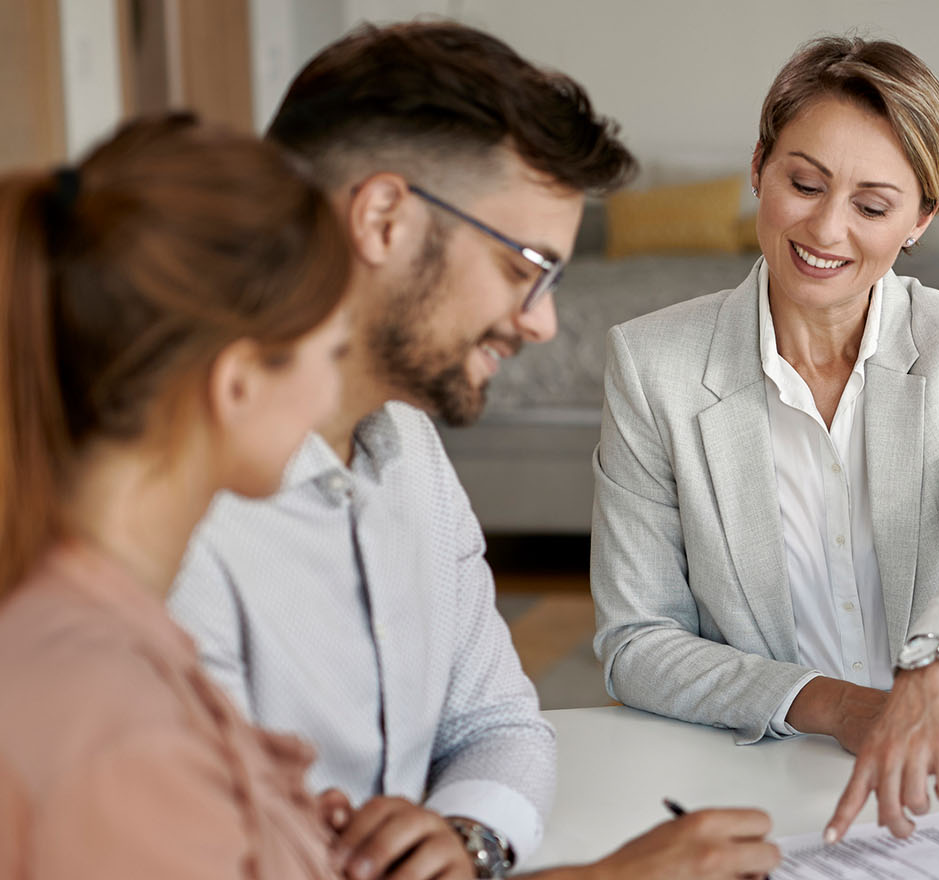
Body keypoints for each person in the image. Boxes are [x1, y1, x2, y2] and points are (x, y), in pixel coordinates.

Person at [166, 21, 776, 880]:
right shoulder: (173, 521)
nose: (543, 322)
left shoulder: (408, 448)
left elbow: (500, 726)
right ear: (382, 217)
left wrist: (467, 839)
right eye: (525, 264)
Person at [589, 35, 939, 844]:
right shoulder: (652, 363)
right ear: (760, 166)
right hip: (759, 763)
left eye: (872, 206)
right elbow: (636, 642)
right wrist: (837, 704)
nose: (826, 229)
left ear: (921, 219)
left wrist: (932, 673)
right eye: (803, 183)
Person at [0, 113, 355, 878]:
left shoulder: (82, 619)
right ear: (236, 383)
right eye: (334, 354)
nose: (335, 399)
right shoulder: (117, 723)